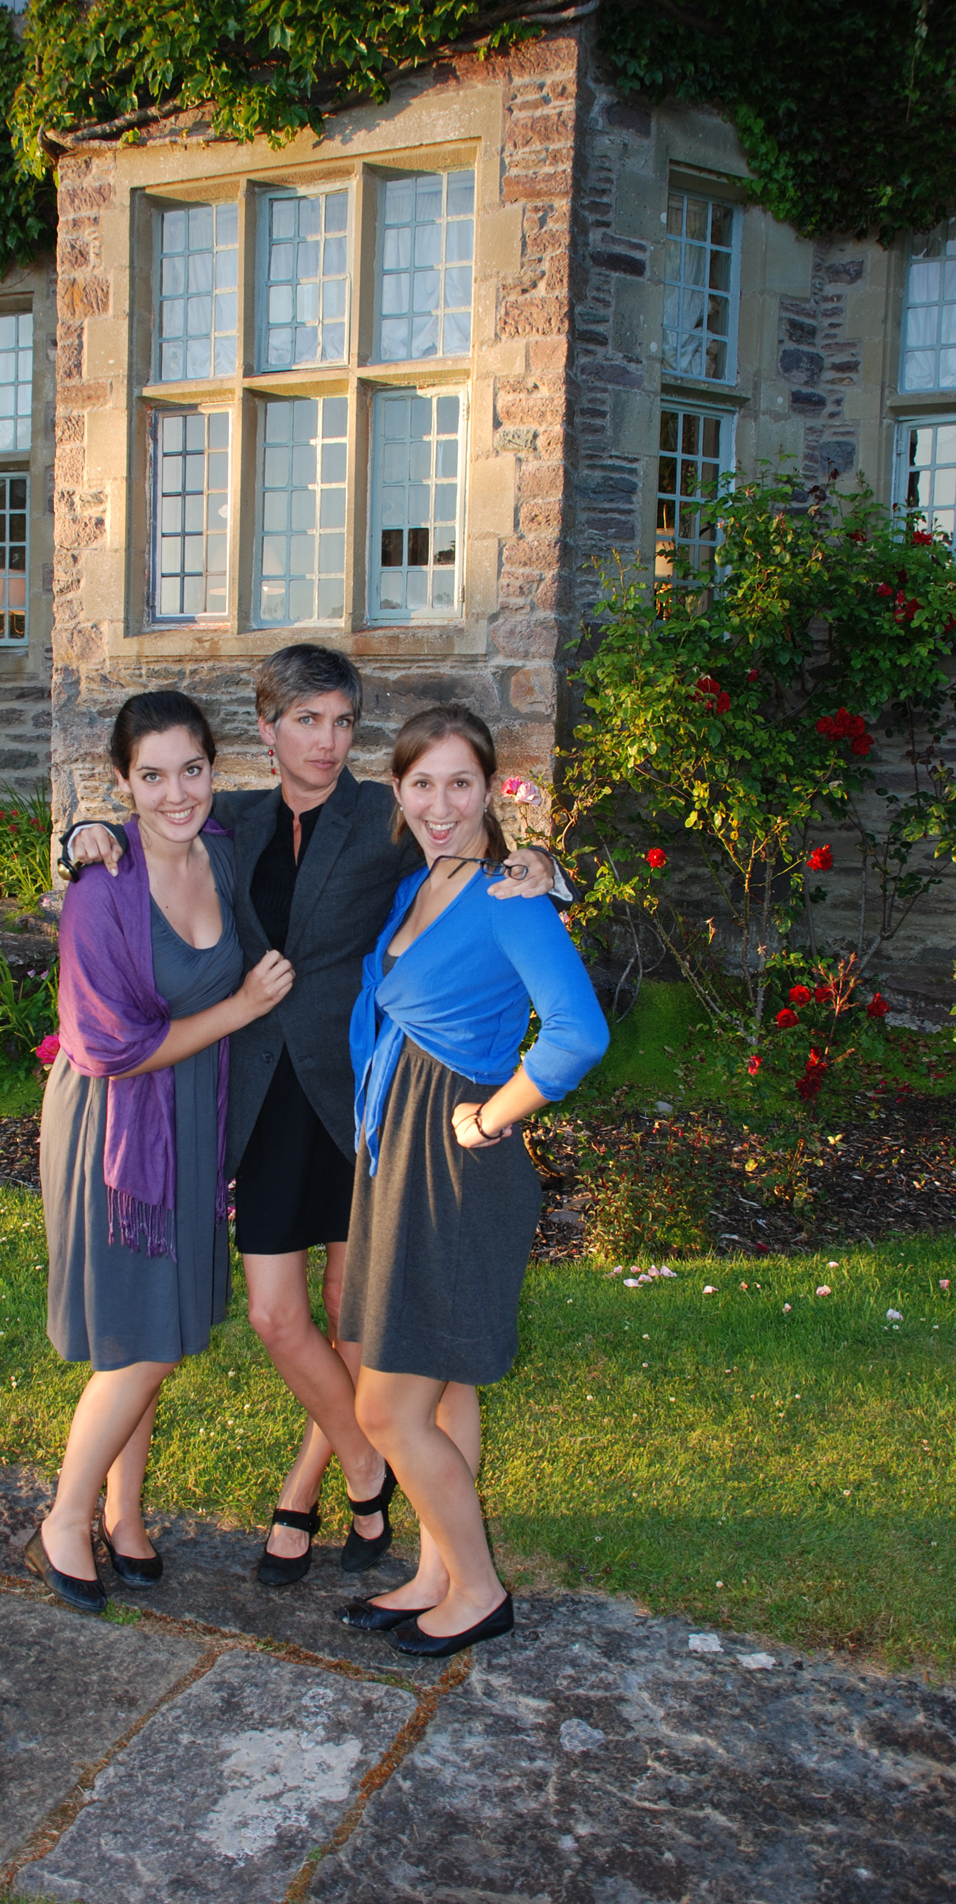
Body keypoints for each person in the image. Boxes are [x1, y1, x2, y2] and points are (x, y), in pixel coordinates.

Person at [59, 646, 565, 1586]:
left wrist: (540, 863)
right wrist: (83, 833)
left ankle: (314, 1491)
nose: (326, 742)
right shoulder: (230, 819)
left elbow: (472, 846)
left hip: (361, 1097)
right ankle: (366, 1465)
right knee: (276, 1315)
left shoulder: (386, 816)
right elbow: (149, 825)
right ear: (267, 728)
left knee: (356, 1315)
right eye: (305, 722)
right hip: (262, 1097)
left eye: (342, 722)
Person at [336, 703, 608, 1658]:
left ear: (491, 787)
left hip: (452, 1162)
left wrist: (494, 1116)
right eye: (423, 784)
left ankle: (481, 1592)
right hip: (398, 1150)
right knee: (445, 1388)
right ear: (398, 789)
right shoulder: (425, 881)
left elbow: (579, 1033)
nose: (441, 805)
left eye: (462, 783)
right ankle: (436, 1573)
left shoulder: (506, 895)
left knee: (385, 1407)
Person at [28, 690, 294, 1614]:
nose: (176, 794)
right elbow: (109, 1047)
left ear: (214, 771)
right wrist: (242, 1008)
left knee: (154, 1330)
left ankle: (123, 1513)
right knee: (140, 1340)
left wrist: (533, 859)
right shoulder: (103, 889)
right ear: (122, 782)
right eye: (152, 776)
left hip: (188, 1119)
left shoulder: (225, 847)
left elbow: (351, 814)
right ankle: (64, 1520)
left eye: (192, 770)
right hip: (116, 1129)